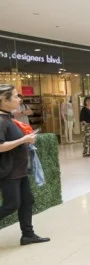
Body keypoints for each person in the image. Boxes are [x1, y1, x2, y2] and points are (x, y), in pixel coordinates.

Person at [0, 84, 50, 245]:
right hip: (8, 171)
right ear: (3, 100)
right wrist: (23, 140)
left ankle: (28, 234)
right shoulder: (1, 121)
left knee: (27, 201)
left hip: (19, 170)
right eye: (15, 96)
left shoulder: (8, 118)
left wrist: (26, 140)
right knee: (11, 204)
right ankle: (28, 233)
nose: (19, 99)